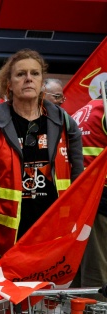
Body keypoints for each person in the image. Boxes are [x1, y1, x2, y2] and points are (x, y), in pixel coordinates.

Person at [0, 49, 83, 256]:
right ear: (9, 83)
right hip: (5, 233)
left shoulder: (65, 122)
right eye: (21, 74)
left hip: (53, 227)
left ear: (42, 82)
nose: (29, 79)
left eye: (35, 73)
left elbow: (78, 175)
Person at [72, 92, 107, 291]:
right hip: (100, 199)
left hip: (81, 196)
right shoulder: (104, 112)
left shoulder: (82, 111)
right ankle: (97, 311)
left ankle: (76, 310)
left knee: (80, 265)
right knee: (99, 270)